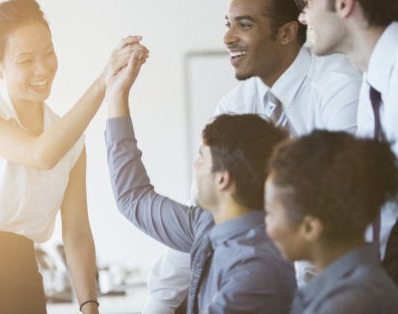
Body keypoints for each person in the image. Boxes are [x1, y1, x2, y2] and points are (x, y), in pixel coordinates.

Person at [0, 0, 148, 313]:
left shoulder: (70, 140)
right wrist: (104, 81)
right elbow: (40, 154)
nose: (43, 68)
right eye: (25, 60)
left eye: (48, 53)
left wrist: (89, 305)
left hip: (20, 274)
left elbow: (76, 231)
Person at [145, 0, 362, 311]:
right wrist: (160, 303)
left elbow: (344, 214)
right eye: (228, 24)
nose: (228, 37)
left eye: (244, 25)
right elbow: (204, 215)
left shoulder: (338, 89)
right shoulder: (234, 106)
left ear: (287, 32)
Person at [104, 52, 296, 313]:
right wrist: (117, 96)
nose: (195, 167)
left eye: (201, 158)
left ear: (222, 179)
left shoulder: (254, 269)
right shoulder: (206, 224)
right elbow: (133, 199)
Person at [298, 0, 398, 312]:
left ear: (343, 3)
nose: (301, 15)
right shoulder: (373, 83)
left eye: (306, 2)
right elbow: (376, 206)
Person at [265, 130, 398, 313]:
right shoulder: (343, 288)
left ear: (310, 228)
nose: (267, 228)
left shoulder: (349, 302)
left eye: (270, 213)